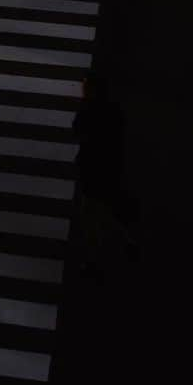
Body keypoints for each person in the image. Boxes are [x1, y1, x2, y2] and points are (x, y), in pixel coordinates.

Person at [73, 72, 137, 274]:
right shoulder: (114, 110)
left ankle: (96, 261)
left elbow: (77, 131)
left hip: (92, 170)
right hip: (111, 168)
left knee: (92, 217)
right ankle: (128, 240)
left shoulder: (88, 112)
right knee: (110, 206)